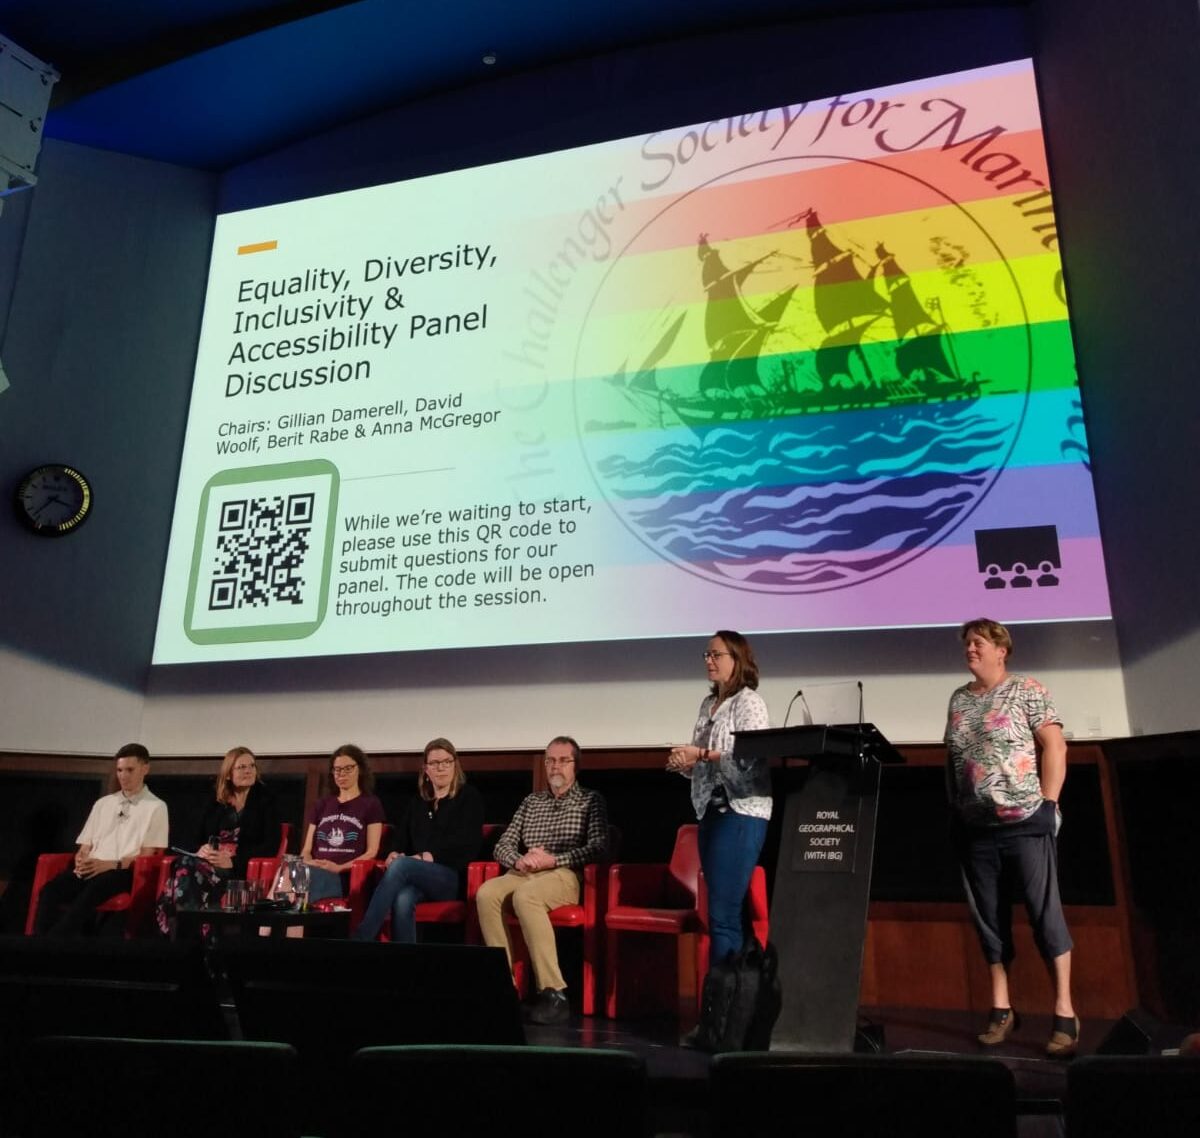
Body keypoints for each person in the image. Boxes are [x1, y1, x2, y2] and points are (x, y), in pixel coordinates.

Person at [945, 618, 1079, 1058]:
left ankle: (1064, 1010)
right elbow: (954, 761)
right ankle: (1002, 1007)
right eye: (967, 643)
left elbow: (1055, 746)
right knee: (990, 921)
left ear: (1001, 650)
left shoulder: (1027, 689)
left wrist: (1048, 804)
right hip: (976, 828)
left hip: (1025, 821)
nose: (970, 649)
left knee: (1044, 916)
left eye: (978, 642)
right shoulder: (960, 699)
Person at [476, 736, 608, 1025]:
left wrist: (554, 860)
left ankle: (553, 992)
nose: (555, 766)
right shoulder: (531, 801)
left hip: (564, 872)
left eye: (563, 760)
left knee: (527, 897)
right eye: (550, 760)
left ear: (576, 766)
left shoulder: (590, 800)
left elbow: (599, 845)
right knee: (487, 893)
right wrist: (518, 860)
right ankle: (504, 986)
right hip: (525, 871)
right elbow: (503, 844)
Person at [668, 630, 772, 969]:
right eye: (706, 655)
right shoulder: (707, 704)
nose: (709, 661)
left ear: (736, 660)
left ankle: (720, 1012)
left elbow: (750, 758)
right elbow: (704, 760)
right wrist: (685, 762)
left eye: (716, 655)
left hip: (742, 812)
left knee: (723, 915)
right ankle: (738, 1004)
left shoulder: (749, 702)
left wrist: (700, 753)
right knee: (728, 915)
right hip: (710, 811)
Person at [353, 737, 485, 943]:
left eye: (446, 762)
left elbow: (469, 845)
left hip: (451, 879)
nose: (441, 768)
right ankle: (408, 964)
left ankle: (361, 940)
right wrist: (394, 852)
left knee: (402, 866)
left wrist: (426, 857)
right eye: (434, 763)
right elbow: (400, 838)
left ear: (455, 765)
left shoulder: (468, 797)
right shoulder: (418, 802)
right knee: (403, 898)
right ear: (426, 769)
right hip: (418, 878)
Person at [34, 743, 169, 936]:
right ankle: (37, 944)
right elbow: (85, 845)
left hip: (122, 870)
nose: (123, 776)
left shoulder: (156, 806)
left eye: (129, 770)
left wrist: (109, 864)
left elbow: (147, 857)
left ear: (145, 768)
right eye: (120, 770)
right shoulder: (103, 804)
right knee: (51, 890)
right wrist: (81, 858)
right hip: (92, 868)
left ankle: (55, 941)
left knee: (93, 890)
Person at [156, 746, 281, 933]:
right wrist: (201, 849)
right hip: (207, 863)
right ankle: (199, 932)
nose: (248, 770)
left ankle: (187, 934)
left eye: (252, 766)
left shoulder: (267, 801)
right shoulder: (215, 801)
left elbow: (271, 845)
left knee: (184, 872)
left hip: (239, 868)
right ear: (228, 774)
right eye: (241, 767)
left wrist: (232, 861)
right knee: (188, 863)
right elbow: (193, 836)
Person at [301, 744, 384, 903]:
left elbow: (371, 852)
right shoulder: (322, 804)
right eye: (337, 769)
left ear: (359, 769)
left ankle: (267, 927)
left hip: (344, 876)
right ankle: (269, 926)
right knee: (289, 872)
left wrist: (340, 867)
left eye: (348, 768)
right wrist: (309, 862)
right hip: (314, 870)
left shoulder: (371, 804)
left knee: (299, 883)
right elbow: (306, 850)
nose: (341, 774)